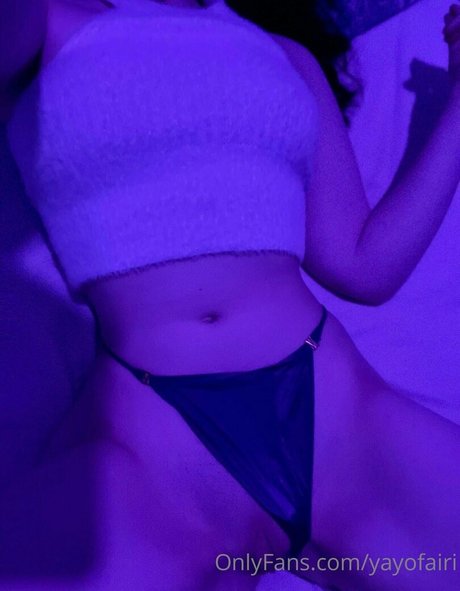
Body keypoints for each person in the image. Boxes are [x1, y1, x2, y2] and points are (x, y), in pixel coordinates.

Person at [0, 0, 459, 589]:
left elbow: (364, 266)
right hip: (151, 448)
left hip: (342, 424)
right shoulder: (45, 21)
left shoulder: (284, 54)